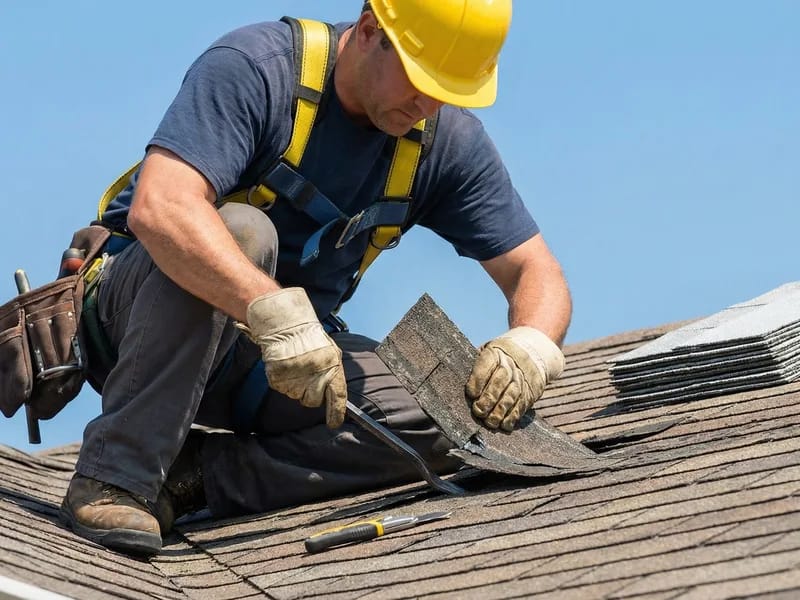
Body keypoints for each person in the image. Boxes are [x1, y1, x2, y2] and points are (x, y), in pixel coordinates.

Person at [59, 0, 572, 556]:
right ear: (372, 28)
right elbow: (161, 208)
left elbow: (535, 270)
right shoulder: (256, 68)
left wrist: (532, 345)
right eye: (421, 80)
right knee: (241, 232)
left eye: (448, 91)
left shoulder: (442, 142)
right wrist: (272, 310)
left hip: (285, 364)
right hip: (141, 323)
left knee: (452, 421)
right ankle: (116, 477)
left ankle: (196, 477)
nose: (428, 105)